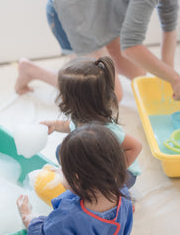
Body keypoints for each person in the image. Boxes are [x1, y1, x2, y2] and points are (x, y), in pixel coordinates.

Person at [15, 0, 180, 103]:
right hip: (71, 8)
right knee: (108, 95)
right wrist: (175, 79)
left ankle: (91, 71)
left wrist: (169, 78)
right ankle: (31, 70)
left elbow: (169, 23)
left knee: (140, 76)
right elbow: (132, 47)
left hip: (101, 10)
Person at [16, 123, 154, 235]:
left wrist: (27, 214)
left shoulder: (68, 212)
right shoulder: (124, 196)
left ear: (76, 178)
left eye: (63, 170)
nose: (60, 173)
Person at [41, 56, 142, 188]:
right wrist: (53, 125)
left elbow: (136, 146)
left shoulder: (104, 131)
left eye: (64, 93)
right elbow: (70, 126)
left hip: (121, 174)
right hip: (95, 162)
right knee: (62, 151)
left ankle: (118, 199)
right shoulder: (80, 117)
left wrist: (115, 172)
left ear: (78, 100)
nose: (61, 97)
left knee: (100, 188)